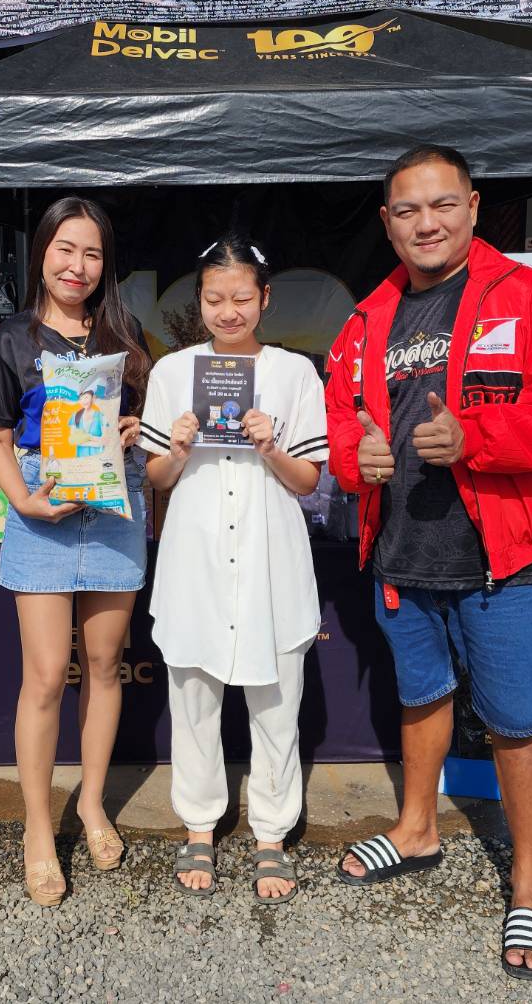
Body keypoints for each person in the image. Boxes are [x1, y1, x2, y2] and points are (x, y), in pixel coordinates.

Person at [324, 145, 532, 979]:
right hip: (400, 555)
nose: (426, 223)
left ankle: (529, 883)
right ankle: (416, 828)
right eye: (406, 210)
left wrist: (473, 437)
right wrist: (357, 461)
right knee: (421, 698)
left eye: (442, 204)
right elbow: (341, 425)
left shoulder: (531, 297)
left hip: (497, 561)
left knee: (514, 720)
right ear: (386, 223)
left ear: (473, 207)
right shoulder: (364, 321)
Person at [0, 196, 153, 907]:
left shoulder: (124, 335)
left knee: (104, 666)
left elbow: (140, 422)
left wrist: (132, 431)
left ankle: (92, 804)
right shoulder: (11, 339)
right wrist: (23, 500)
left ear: (106, 265)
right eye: (65, 250)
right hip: (42, 512)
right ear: (42, 253)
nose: (77, 266)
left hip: (113, 509)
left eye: (92, 253)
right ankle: (39, 828)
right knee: (46, 676)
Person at [140, 237, 329, 905]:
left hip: (270, 555)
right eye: (215, 298)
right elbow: (157, 476)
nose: (228, 311)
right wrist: (178, 448)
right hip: (194, 557)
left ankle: (271, 833)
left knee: (276, 700)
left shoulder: (294, 374)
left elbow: (308, 480)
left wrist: (270, 446)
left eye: (242, 298)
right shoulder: (173, 373)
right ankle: (199, 823)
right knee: (192, 696)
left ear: (265, 299)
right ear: (199, 300)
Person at [68, 388, 105, 456]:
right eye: (81, 399)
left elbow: (105, 441)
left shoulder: (100, 416)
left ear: (93, 398)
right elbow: (72, 440)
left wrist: (86, 438)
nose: (83, 401)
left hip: (98, 457)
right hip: (81, 458)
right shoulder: (75, 416)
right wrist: (94, 440)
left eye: (86, 397)